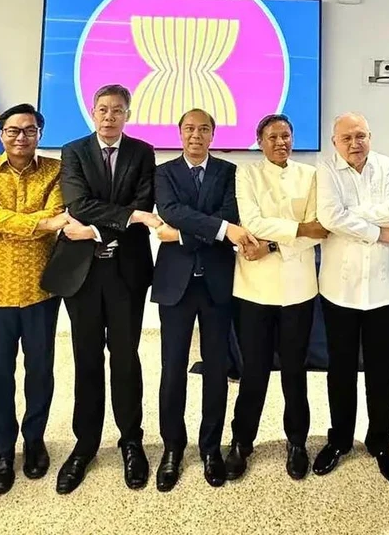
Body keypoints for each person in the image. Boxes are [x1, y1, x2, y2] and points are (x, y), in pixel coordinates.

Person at [41, 84, 159, 494]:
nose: (110, 116)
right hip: (83, 274)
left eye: (118, 110)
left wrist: (93, 227)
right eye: (103, 109)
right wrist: (104, 225)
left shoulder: (143, 152)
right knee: (86, 357)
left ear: (128, 114)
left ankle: (131, 441)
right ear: (92, 112)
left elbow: (146, 203)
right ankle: (85, 443)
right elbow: (77, 203)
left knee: (126, 357)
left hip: (128, 271)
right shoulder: (73, 151)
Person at [0, 104, 67, 495]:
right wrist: (36, 224)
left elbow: (58, 214)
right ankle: (2, 450)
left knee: (40, 370)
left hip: (42, 285)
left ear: (40, 132)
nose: (20, 138)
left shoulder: (56, 170)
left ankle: (34, 439)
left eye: (29, 130)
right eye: (12, 131)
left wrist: (0, 225)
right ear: (1, 134)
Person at [152, 108, 256, 491]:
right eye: (190, 129)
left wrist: (180, 235)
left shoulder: (229, 172)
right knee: (172, 367)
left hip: (217, 283)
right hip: (175, 284)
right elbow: (171, 211)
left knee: (217, 369)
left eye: (204, 129)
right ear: (179, 133)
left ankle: (210, 447)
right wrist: (218, 230)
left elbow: (230, 214)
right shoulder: (163, 172)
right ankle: (172, 449)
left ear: (214, 134)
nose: (196, 135)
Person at [224, 114, 327, 482]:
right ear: (259, 140)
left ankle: (296, 441)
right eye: (272, 136)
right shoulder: (246, 174)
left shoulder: (310, 175)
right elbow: (251, 220)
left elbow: (321, 230)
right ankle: (241, 441)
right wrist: (298, 230)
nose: (281, 142)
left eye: (286, 135)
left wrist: (269, 244)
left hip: (299, 288)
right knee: (253, 370)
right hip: (254, 288)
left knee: (295, 370)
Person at [313, 112, 389, 484]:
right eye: (346, 138)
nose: (355, 144)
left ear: (370, 136)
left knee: (381, 369)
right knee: (340, 369)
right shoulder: (326, 169)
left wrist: (350, 217)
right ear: (335, 142)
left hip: (384, 289)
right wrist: (376, 231)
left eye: (361, 136)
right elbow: (327, 216)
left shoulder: (386, 165)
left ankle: (381, 441)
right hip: (340, 288)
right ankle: (339, 439)